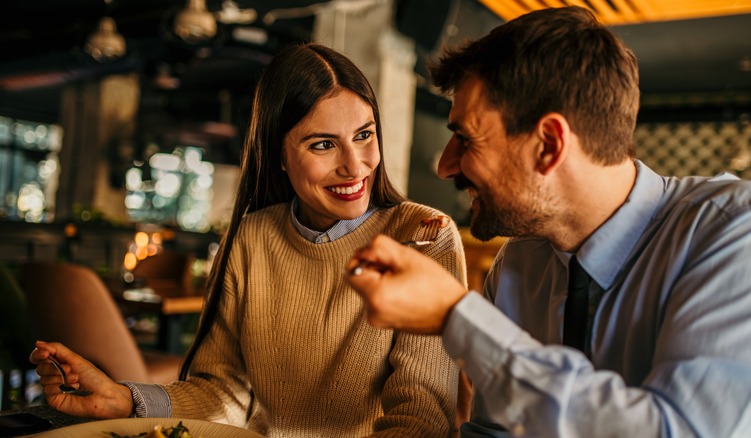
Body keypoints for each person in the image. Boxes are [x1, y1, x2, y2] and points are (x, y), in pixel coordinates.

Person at [346, 6, 751, 437]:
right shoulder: (519, 263)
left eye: (465, 139)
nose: (444, 166)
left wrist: (456, 317)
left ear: (549, 144)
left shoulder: (747, 232)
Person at [30, 43, 467, 437]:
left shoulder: (425, 236)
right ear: (277, 154)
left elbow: (421, 416)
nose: (355, 167)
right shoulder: (252, 236)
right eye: (322, 145)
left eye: (364, 135)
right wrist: (123, 398)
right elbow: (223, 394)